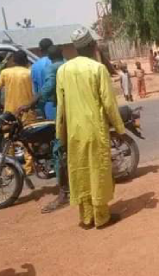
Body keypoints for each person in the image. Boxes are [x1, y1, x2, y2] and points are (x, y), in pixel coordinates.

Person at [56, 27, 126, 230]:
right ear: (92, 45)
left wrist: (60, 134)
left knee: (81, 172)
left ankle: (86, 218)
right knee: (98, 171)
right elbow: (109, 103)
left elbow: (61, 107)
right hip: (95, 129)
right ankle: (101, 216)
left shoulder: (63, 70)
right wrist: (119, 128)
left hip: (74, 132)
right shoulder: (98, 69)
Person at [18, 45, 69, 213]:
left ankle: (64, 193)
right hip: (71, 108)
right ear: (62, 53)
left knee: (57, 150)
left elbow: (46, 89)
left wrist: (30, 104)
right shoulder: (68, 64)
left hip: (58, 110)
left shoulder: (49, 68)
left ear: (46, 54)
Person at [0, 50, 36, 174]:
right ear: (25, 60)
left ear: (13, 61)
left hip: (10, 112)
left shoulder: (5, 72)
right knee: (29, 139)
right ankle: (28, 168)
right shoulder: (29, 73)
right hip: (27, 111)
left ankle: (10, 169)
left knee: (9, 140)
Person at [31, 38, 53, 117]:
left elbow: (35, 90)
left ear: (40, 50)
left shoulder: (35, 66)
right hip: (61, 102)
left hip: (44, 105)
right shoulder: (60, 62)